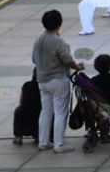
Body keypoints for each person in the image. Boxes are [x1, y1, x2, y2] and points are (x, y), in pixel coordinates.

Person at [33, 9, 83, 153]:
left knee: (45, 111)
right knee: (60, 113)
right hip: (58, 80)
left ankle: (43, 142)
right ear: (59, 23)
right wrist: (78, 67)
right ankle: (59, 144)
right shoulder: (58, 41)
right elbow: (67, 60)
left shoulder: (38, 40)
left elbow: (34, 59)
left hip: (42, 81)